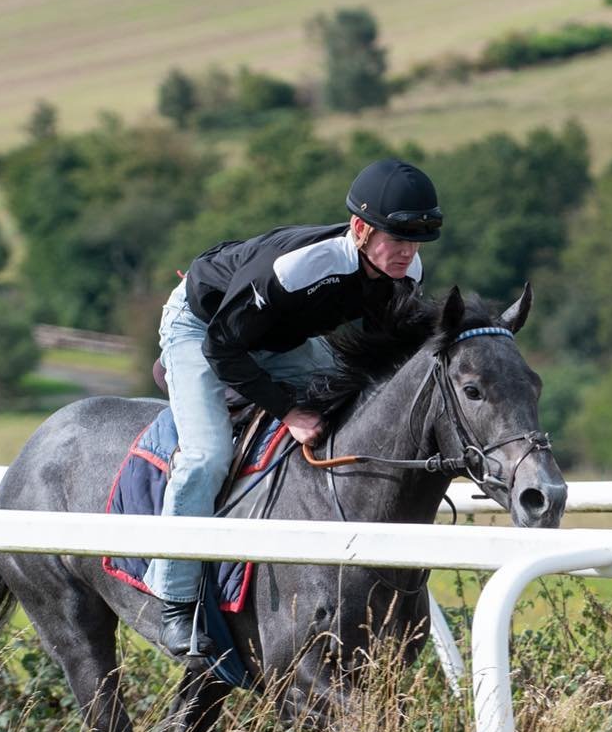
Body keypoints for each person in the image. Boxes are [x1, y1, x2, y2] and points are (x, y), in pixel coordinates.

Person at [145, 158, 444, 658]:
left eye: (416, 242)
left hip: (279, 342)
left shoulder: (404, 269)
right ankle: (174, 601)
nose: (407, 254)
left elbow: (383, 357)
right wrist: (288, 412)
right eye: (397, 239)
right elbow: (223, 347)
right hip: (204, 329)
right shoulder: (298, 266)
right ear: (360, 229)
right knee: (206, 458)